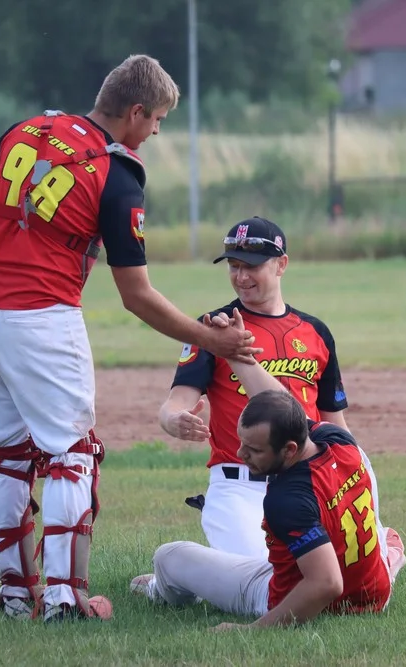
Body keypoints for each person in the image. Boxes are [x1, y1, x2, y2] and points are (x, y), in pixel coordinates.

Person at [0, 54, 260, 624]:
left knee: (7, 454)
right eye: (158, 119)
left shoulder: (29, 128)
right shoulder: (118, 169)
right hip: (40, 317)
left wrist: (20, 257)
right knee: (72, 456)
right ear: (136, 112)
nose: (158, 131)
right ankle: (65, 601)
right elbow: (136, 293)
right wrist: (208, 340)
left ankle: (17, 596)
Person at [132, 309, 406, 629]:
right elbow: (286, 406)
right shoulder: (343, 445)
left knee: (170, 557)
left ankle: (159, 589)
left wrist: (251, 630)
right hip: (375, 594)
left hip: (289, 597)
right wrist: (236, 354)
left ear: (289, 449)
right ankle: (388, 554)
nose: (239, 453)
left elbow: (327, 584)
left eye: (254, 449)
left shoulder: (285, 498)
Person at [158, 216, 350, 560]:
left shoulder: (316, 332)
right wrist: (173, 420)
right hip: (238, 487)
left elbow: (335, 423)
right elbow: (175, 404)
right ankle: (171, 578)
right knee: (265, 579)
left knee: (348, 570)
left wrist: (350, 480)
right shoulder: (213, 329)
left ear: (281, 265)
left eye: (252, 266)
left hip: (308, 481)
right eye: (233, 265)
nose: (241, 277)